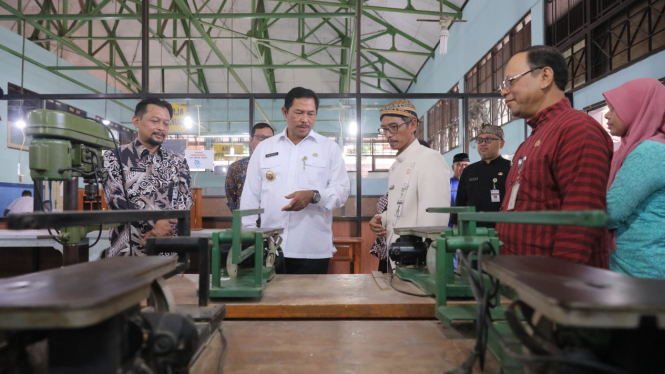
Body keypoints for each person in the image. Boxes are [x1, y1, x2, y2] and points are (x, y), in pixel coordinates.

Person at [496, 45, 613, 268]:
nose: (504, 91)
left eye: (511, 81)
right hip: (525, 279)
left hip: (552, 287)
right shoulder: (534, 139)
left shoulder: (576, 129)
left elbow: (580, 220)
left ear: (545, 77)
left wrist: (557, 289)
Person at [240, 87, 350, 274]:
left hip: (312, 249)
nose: (305, 119)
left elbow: (341, 191)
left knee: (310, 302)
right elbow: (250, 195)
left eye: (310, 114)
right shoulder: (264, 149)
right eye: (298, 112)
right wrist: (250, 236)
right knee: (270, 302)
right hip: (270, 247)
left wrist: (314, 196)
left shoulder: (329, 149)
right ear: (285, 112)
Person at [103, 98, 193, 257]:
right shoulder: (114, 156)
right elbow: (114, 197)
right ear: (136, 121)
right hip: (125, 250)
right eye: (155, 121)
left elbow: (185, 200)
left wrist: (163, 228)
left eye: (166, 123)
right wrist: (152, 223)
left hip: (167, 248)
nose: (161, 128)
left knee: (168, 282)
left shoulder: (177, 161)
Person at [368, 100, 450, 271]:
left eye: (394, 127)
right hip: (398, 256)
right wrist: (382, 219)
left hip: (417, 260)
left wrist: (426, 261)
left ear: (412, 124)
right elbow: (403, 210)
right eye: (384, 129)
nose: (388, 134)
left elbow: (433, 220)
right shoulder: (397, 165)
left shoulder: (429, 159)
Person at [603, 78, 665, 279]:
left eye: (614, 109)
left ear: (637, 108)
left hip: (641, 272)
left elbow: (611, 212)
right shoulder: (635, 149)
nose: (607, 116)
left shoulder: (650, 152)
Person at [370, 140, 433, 273]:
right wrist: (378, 218)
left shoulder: (431, 162)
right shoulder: (396, 172)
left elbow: (432, 220)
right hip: (390, 246)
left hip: (414, 248)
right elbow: (389, 209)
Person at [450, 125, 511, 229]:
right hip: (472, 231)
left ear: (501, 143)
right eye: (480, 140)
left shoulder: (510, 168)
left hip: (503, 228)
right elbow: (460, 202)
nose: (483, 143)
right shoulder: (469, 171)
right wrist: (456, 229)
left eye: (489, 139)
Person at [225, 123, 274, 212]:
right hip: (247, 220)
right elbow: (231, 200)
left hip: (273, 220)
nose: (265, 141)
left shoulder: (280, 165)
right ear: (251, 141)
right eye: (260, 137)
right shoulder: (236, 167)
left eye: (269, 138)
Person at [449, 153, 470, 228]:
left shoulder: (473, 184)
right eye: (459, 165)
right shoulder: (448, 184)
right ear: (452, 167)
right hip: (450, 225)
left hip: (468, 225)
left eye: (466, 165)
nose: (463, 167)